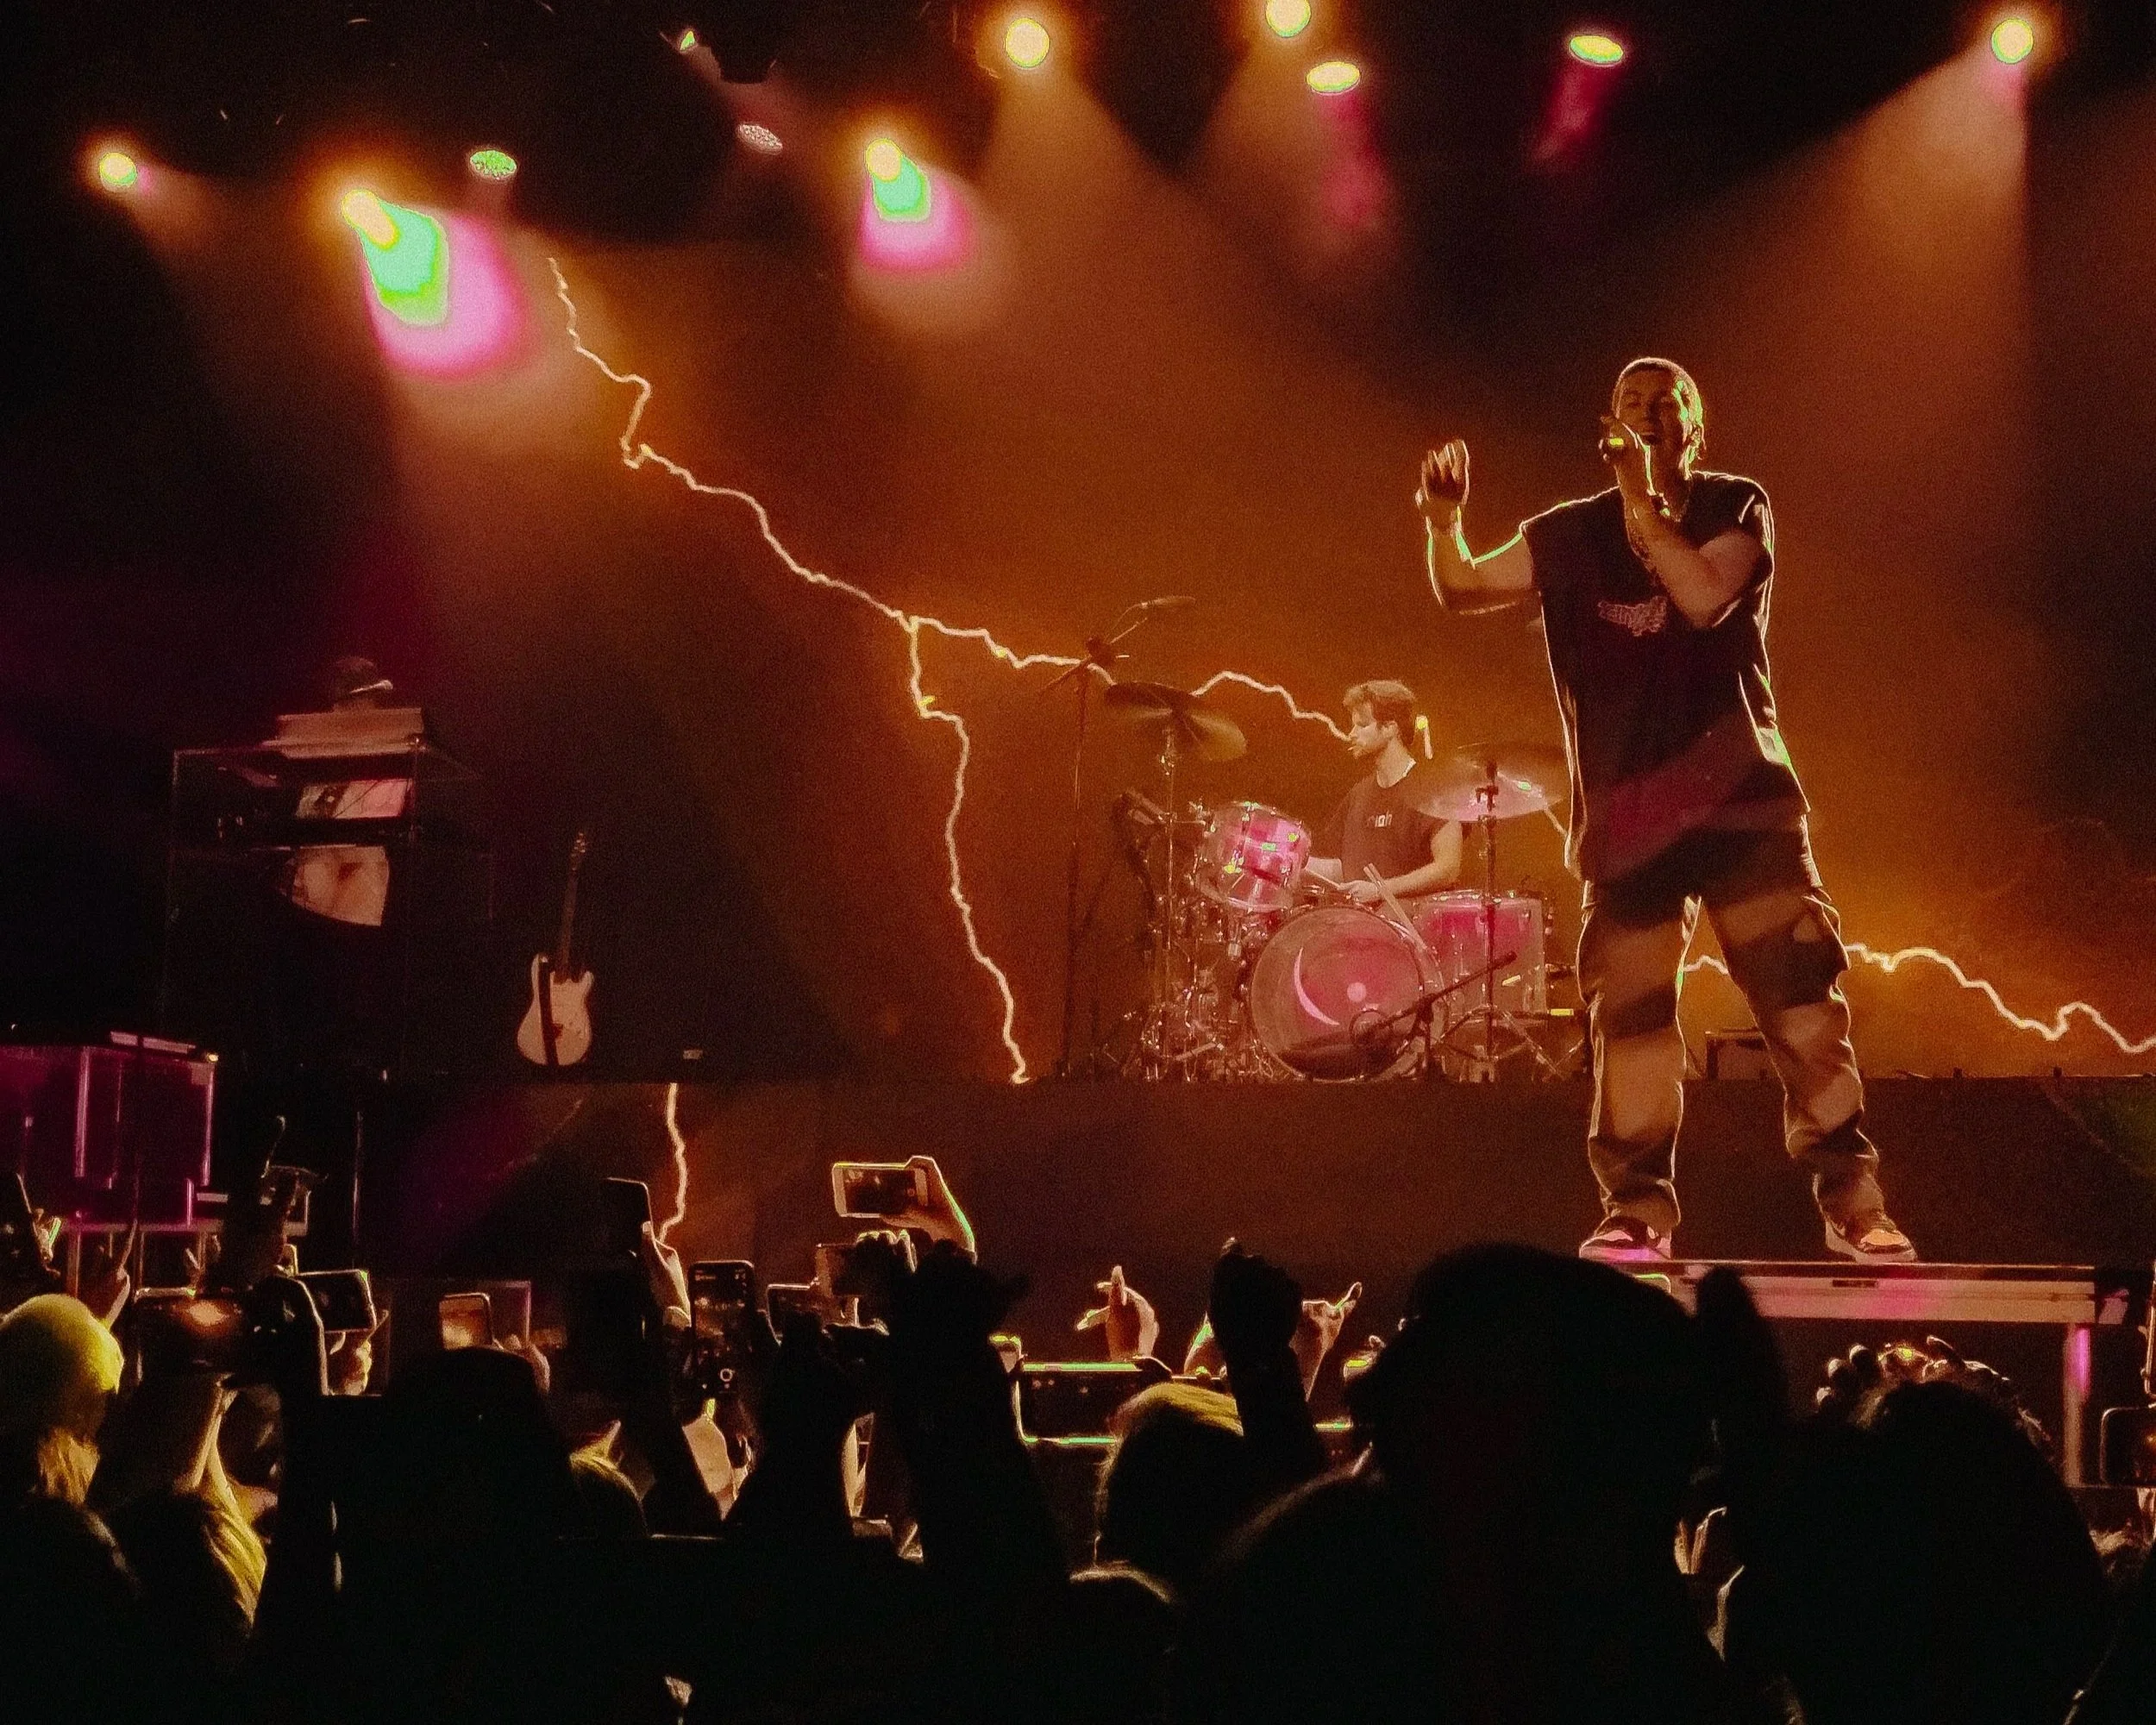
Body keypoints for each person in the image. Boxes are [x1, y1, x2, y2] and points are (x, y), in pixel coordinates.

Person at [1416, 358, 1915, 1264]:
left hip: (1742, 810)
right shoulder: (1567, 534)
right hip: (1630, 820)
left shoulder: (1736, 507)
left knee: (1802, 1010)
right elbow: (1461, 587)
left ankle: (1855, 1205)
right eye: (1632, 401)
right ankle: (1636, 1211)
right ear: (1607, 418)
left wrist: (1638, 500)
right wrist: (1442, 520)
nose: (1649, 411)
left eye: (1666, 400)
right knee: (1631, 1025)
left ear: (1695, 424)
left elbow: (1696, 594)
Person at [1306, 681, 1463, 907]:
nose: (1351, 734)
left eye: (1362, 725)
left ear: (1390, 728)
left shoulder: (1432, 789)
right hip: (1360, 924)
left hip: (1412, 927)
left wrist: (1380, 890)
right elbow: (1344, 869)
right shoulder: (1358, 794)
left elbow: (1448, 868)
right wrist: (1292, 862)